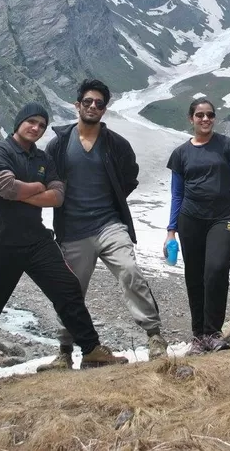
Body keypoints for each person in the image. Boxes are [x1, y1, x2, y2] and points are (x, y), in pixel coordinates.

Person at [0, 103, 127, 393]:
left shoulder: (44, 158)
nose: (36, 128)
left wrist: (25, 189)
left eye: (41, 125)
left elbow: (58, 196)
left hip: (36, 241)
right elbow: (6, 188)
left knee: (68, 290)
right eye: (31, 122)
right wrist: (38, 187)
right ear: (19, 122)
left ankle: (92, 349)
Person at [39, 80, 167, 371]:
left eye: (99, 103)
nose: (93, 107)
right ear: (77, 105)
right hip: (72, 230)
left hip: (109, 224)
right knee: (70, 291)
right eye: (88, 102)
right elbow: (48, 179)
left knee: (130, 271)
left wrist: (115, 198)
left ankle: (155, 337)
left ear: (105, 109)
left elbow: (130, 176)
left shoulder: (116, 144)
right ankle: (64, 351)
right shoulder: (59, 144)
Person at [165, 98, 230, 355]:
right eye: (200, 115)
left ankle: (213, 332)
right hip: (190, 219)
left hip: (225, 217)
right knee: (194, 276)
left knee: (215, 270)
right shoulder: (181, 153)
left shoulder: (229, 146)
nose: (205, 119)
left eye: (209, 115)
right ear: (191, 118)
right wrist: (171, 230)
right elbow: (177, 194)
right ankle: (199, 336)